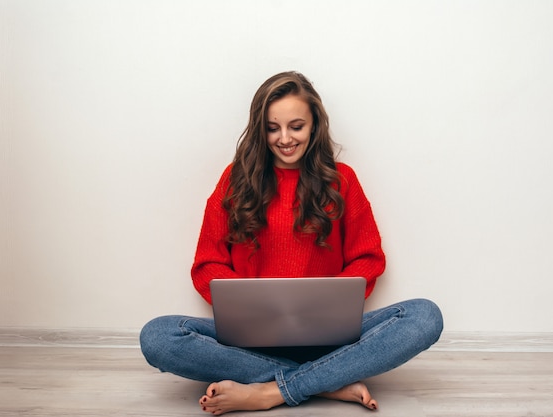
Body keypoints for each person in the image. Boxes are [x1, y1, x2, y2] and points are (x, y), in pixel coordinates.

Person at [140, 71, 443, 415]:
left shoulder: (342, 180)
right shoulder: (235, 179)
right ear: (260, 128)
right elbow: (208, 263)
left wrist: (324, 303)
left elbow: (368, 259)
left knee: (424, 316)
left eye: (296, 126)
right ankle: (325, 384)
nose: (284, 138)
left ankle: (269, 391)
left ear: (314, 125)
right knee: (159, 336)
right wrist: (253, 306)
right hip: (250, 340)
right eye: (273, 128)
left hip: (329, 339)